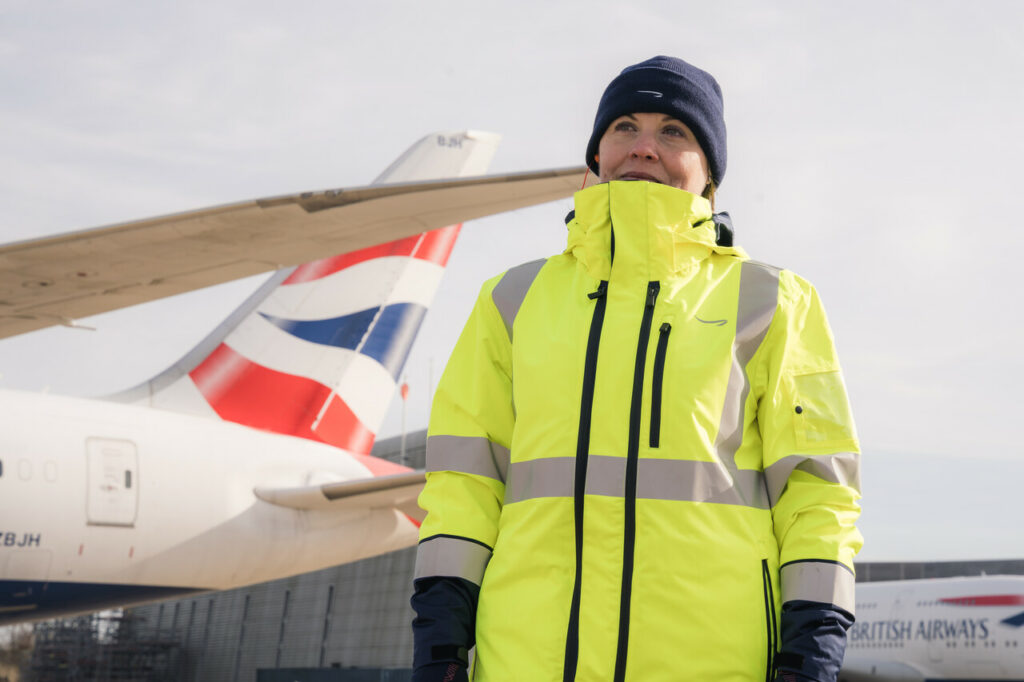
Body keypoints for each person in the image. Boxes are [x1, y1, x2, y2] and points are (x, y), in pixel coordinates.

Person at [410, 56, 862, 682]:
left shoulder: (774, 301)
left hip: (712, 664)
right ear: (596, 156)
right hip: (528, 664)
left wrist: (812, 649)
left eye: (674, 131)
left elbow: (819, 493)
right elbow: (463, 488)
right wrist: (439, 642)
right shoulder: (510, 301)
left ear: (710, 176)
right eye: (624, 126)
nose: (644, 147)